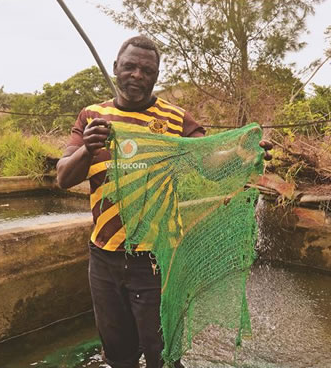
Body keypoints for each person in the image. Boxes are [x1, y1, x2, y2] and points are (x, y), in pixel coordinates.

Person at [57, 35, 272, 368]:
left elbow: (209, 161)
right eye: (130, 66)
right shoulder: (92, 116)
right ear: (116, 67)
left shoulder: (174, 119)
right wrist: (87, 148)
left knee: (162, 351)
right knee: (117, 352)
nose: (138, 75)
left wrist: (242, 153)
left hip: (156, 260)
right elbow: (63, 177)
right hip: (104, 257)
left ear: (157, 76)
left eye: (147, 70)